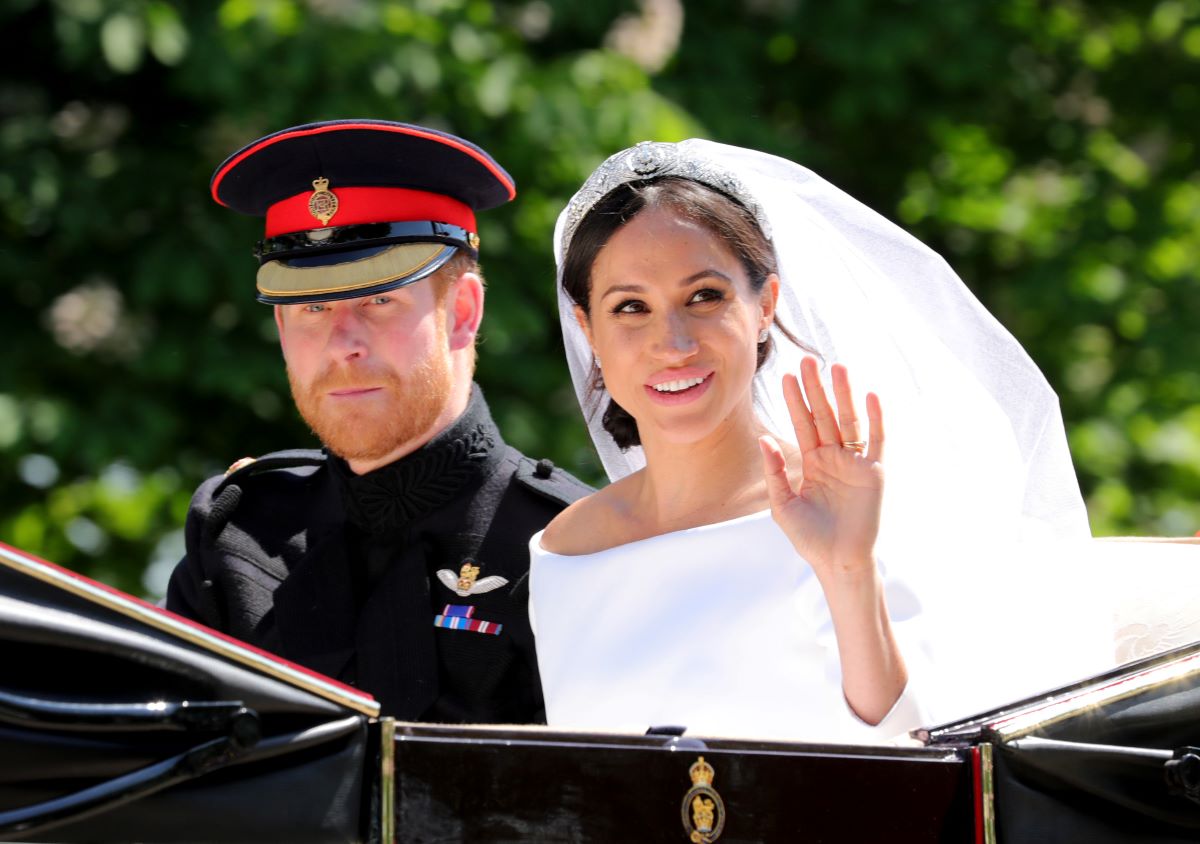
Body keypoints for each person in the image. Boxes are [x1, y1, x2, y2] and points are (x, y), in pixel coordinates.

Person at [529, 139, 1111, 742]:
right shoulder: (564, 553)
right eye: (630, 307)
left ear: (765, 306)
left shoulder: (845, 507)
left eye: (705, 296)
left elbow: (920, 758)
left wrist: (847, 569)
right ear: (587, 328)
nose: (672, 342)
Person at [165, 119, 591, 722]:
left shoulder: (566, 547)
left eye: (378, 300)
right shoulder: (237, 534)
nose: (343, 344)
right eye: (312, 307)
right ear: (283, 330)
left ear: (463, 313)